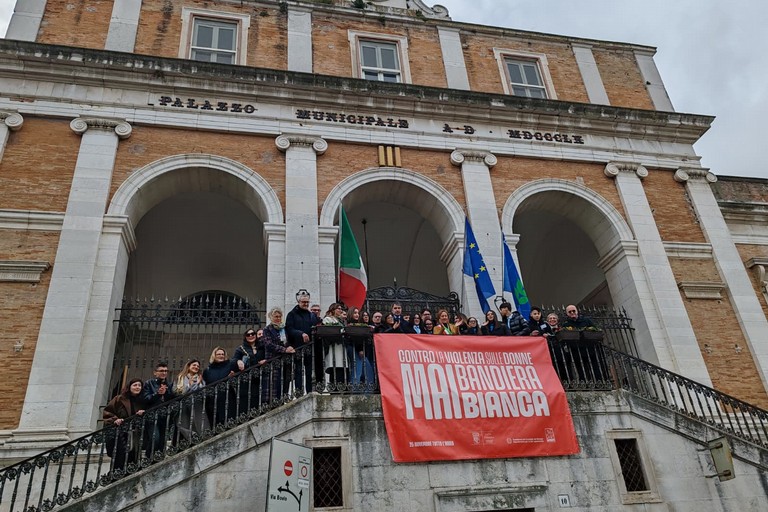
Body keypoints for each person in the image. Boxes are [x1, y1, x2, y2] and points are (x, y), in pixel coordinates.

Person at [103, 378, 146, 470]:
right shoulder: (119, 399)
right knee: (120, 454)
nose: (137, 387)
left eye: (139, 385)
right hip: (120, 432)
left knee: (133, 455)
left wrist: (142, 413)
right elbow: (108, 412)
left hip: (134, 433)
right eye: (135, 385)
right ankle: (117, 474)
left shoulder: (142, 401)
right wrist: (115, 419)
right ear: (129, 387)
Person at [285, 291, 321, 394]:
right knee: (298, 371)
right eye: (303, 302)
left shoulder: (311, 315)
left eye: (307, 302)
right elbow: (290, 329)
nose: (305, 304)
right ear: (298, 302)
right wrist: (301, 334)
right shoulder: (291, 314)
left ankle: (310, 392)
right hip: (297, 347)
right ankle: (299, 393)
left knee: (309, 372)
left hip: (309, 347)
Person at [261, 307, 296, 403]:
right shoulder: (267, 329)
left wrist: (289, 347)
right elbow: (268, 344)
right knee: (273, 385)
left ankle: (283, 400)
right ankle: (273, 404)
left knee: (285, 381)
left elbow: (288, 341)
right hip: (273, 360)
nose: (278, 318)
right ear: (271, 317)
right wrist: (284, 349)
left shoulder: (284, 329)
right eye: (276, 316)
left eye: (279, 316)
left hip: (285, 361)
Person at [142, 361, 176, 455]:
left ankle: (157, 460)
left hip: (165, 417)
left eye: (165, 371)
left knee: (162, 442)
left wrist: (168, 393)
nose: (164, 373)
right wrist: (157, 394)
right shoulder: (149, 383)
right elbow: (145, 399)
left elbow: (172, 399)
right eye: (161, 371)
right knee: (155, 438)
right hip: (152, 416)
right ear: (155, 372)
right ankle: (148, 459)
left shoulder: (169, 385)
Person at [173, 359, 209, 444]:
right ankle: (192, 438)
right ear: (188, 366)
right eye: (194, 365)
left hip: (197, 405)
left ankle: (202, 439)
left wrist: (196, 384)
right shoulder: (180, 378)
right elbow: (176, 391)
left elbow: (204, 393)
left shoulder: (200, 379)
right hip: (184, 406)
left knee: (200, 424)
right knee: (183, 424)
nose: (196, 367)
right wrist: (190, 385)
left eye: (198, 366)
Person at [231, 329, 265, 415]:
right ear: (245, 337)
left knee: (259, 399)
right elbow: (233, 360)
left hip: (261, 378)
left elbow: (270, 355)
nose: (250, 336)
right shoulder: (241, 349)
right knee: (245, 400)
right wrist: (238, 361)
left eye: (252, 334)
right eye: (248, 334)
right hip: (246, 380)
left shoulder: (262, 346)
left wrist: (266, 360)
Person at [203, 347, 238, 427]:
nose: (221, 356)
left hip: (228, 399)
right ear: (214, 356)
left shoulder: (230, 365)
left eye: (222, 354)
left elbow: (237, 363)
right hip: (213, 401)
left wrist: (239, 361)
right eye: (218, 354)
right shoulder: (208, 370)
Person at [346, 307, 374, 389]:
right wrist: (360, 349)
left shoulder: (358, 324)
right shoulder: (350, 325)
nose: (357, 315)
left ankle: (367, 391)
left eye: (358, 313)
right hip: (354, 348)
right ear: (351, 314)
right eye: (355, 313)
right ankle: (354, 389)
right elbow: (355, 338)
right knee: (357, 369)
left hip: (360, 349)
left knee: (366, 370)